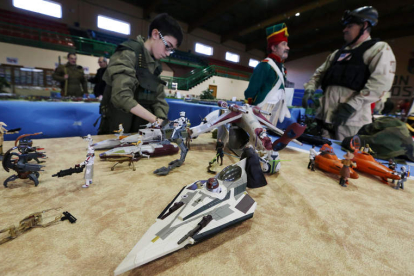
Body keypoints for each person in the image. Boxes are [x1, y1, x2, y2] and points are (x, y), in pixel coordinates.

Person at [302, 6, 396, 140]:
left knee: (347, 158)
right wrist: (310, 90)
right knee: (320, 155)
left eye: (349, 26)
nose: (344, 30)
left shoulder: (378, 49)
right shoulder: (337, 53)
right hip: (324, 119)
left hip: (352, 121)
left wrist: (351, 106)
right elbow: (318, 74)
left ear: (364, 25)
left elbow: (380, 84)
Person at [99, 13, 183, 134]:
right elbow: (121, 96)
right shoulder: (127, 54)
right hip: (116, 132)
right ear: (155, 34)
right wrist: (156, 121)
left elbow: (158, 100)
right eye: (168, 46)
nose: (168, 53)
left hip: (140, 133)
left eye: (172, 50)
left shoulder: (156, 65)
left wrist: (162, 120)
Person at [244, 23, 291, 125]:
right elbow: (252, 89)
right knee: (259, 135)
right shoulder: (265, 65)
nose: (287, 48)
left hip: (277, 105)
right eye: (283, 44)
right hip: (264, 106)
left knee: (268, 134)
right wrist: (249, 105)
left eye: (286, 44)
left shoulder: (282, 67)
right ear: (274, 48)